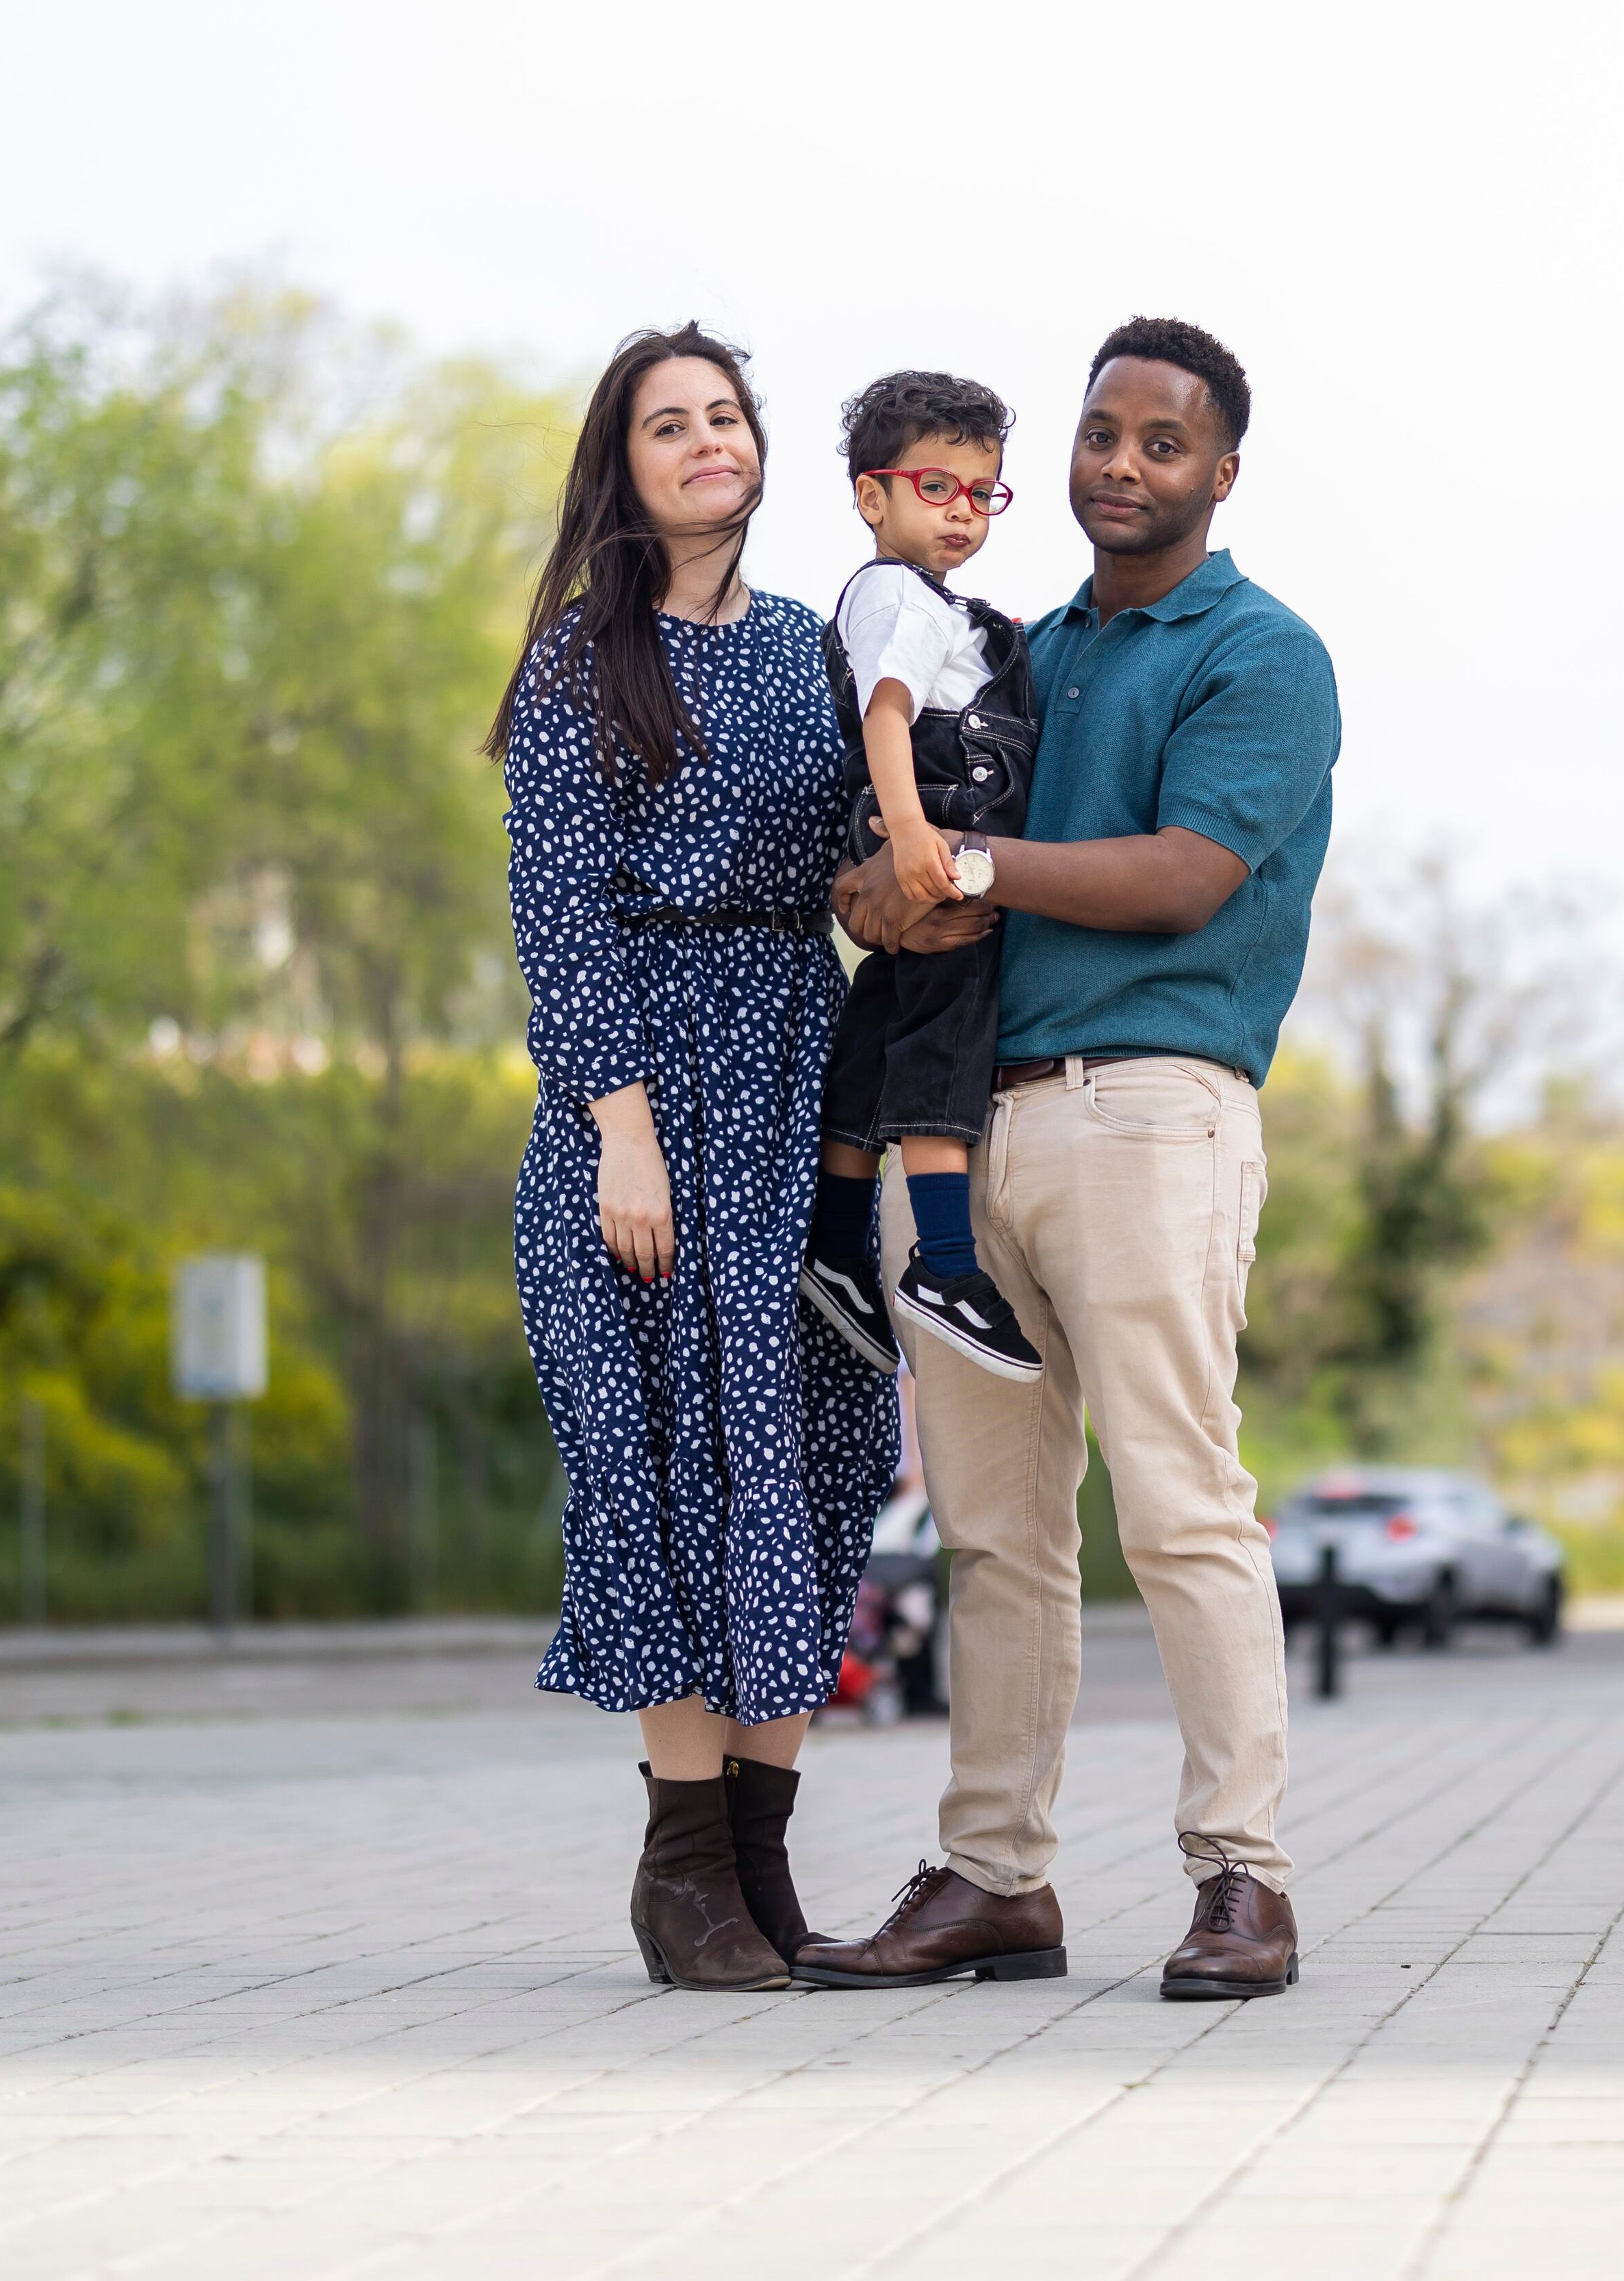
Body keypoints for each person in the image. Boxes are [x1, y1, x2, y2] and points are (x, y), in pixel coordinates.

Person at [797, 318, 1338, 2002]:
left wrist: (954, 856)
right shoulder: (1012, 646)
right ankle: (993, 1877)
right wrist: (865, 884)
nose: (1122, 463)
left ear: (1220, 472)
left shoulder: (1260, 651)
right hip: (962, 1123)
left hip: (1150, 1110)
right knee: (993, 1531)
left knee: (1182, 1505)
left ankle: (1242, 1878)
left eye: (1161, 442)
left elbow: (1182, 876)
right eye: (1100, 433)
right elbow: (894, 846)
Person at [491, 323, 900, 1995]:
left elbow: (863, 858)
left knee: (807, 1462)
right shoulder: (584, 664)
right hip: (642, 1105)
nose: (706, 441)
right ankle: (679, 1872)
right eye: (671, 423)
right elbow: (559, 913)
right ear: (626, 462)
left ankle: (761, 1855)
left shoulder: (814, 645)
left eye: (726, 415)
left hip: (800, 1069)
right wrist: (623, 1131)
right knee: (656, 1475)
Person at [801, 370, 1044, 1387]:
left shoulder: (930, 602)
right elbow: (890, 713)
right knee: (948, 1024)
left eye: (981, 492)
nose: (962, 513)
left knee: (884, 1026)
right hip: (940, 821)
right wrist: (911, 836)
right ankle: (943, 1263)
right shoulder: (897, 596)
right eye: (935, 488)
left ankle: (838, 1241)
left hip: (922, 815)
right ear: (873, 497)